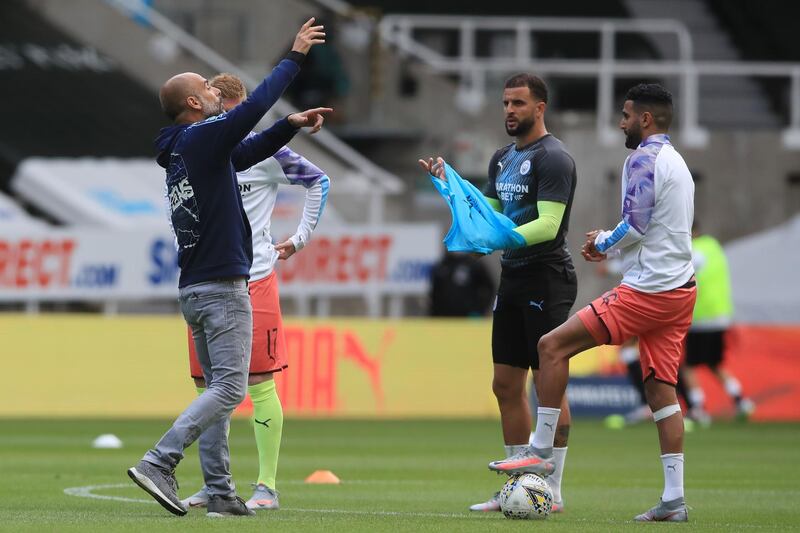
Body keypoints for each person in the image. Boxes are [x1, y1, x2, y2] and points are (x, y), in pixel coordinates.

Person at [127, 18, 330, 518]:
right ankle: (160, 460)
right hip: (222, 285)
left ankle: (219, 490)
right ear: (195, 104)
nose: (215, 91)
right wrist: (295, 55)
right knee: (232, 389)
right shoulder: (201, 139)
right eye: (205, 89)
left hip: (195, 288)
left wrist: (290, 125)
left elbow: (247, 151)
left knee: (215, 388)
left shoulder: (183, 148)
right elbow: (256, 104)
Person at [488, 83, 696, 523]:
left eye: (624, 115)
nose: (620, 122)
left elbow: (635, 224)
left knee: (551, 347)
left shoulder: (643, 157)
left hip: (648, 290)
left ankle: (539, 453)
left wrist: (603, 242)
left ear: (644, 119)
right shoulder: (677, 161)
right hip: (680, 290)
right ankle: (674, 499)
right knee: (661, 391)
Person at [421, 73, 578, 513]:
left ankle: (554, 490)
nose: (510, 110)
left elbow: (548, 225)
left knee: (550, 387)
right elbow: (484, 220)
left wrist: (496, 240)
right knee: (506, 384)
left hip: (547, 278)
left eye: (519, 103)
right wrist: (450, 190)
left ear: (540, 108)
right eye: (506, 103)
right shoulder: (502, 157)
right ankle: (516, 487)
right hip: (512, 279)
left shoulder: (554, 158)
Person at [179, 72, 330, 511]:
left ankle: (266, 485)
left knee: (258, 382)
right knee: (207, 385)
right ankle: (216, 483)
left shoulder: (265, 154)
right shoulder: (195, 148)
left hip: (254, 279)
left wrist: (299, 238)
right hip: (207, 279)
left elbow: (319, 181)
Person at [682, 222, 754, 421]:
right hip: (721, 315)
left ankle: (698, 407)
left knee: (688, 365)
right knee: (714, 363)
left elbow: (688, 269)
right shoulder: (714, 246)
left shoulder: (693, 249)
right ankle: (741, 400)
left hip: (702, 317)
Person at [429, 251, 494, 317]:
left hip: (467, 317)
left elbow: (489, 287)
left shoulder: (473, 264)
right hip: (445, 318)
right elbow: (435, 293)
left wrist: (480, 309)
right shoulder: (442, 265)